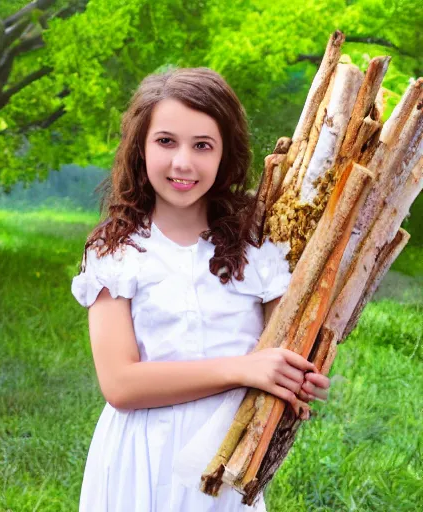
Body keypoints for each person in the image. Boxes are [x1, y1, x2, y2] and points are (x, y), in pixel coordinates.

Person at [71, 67, 330, 511]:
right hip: (141, 460)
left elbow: (286, 353)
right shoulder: (117, 250)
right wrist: (243, 369)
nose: (183, 163)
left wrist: (299, 378)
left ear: (225, 153)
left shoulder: (259, 248)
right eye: (166, 141)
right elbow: (120, 384)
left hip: (226, 460)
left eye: (202, 145)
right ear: (140, 148)